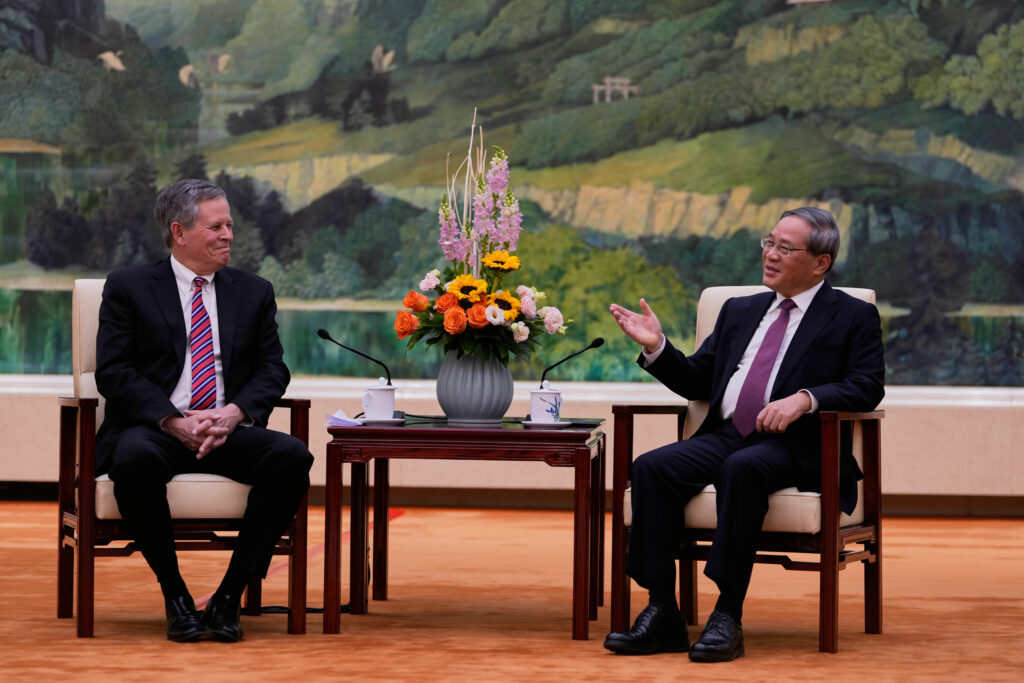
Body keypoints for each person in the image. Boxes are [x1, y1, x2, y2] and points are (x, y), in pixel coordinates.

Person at [604, 207, 884, 661]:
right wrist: (658, 347)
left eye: (785, 248)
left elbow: (868, 385)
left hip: (798, 445)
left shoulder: (852, 315)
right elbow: (698, 380)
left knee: (743, 467)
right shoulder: (740, 310)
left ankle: (727, 614)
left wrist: (805, 399)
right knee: (653, 467)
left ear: (821, 263)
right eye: (768, 243)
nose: (770, 254)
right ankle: (663, 610)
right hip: (725, 434)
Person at [95, 178, 313, 643]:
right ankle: (176, 597)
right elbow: (114, 372)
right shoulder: (129, 288)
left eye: (229, 225)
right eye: (216, 227)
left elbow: (273, 369)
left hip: (225, 428)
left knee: (292, 457)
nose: (228, 235)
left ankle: (229, 596)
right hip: (156, 429)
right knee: (132, 459)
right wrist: (173, 421)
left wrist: (234, 413)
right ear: (179, 231)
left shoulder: (254, 291)